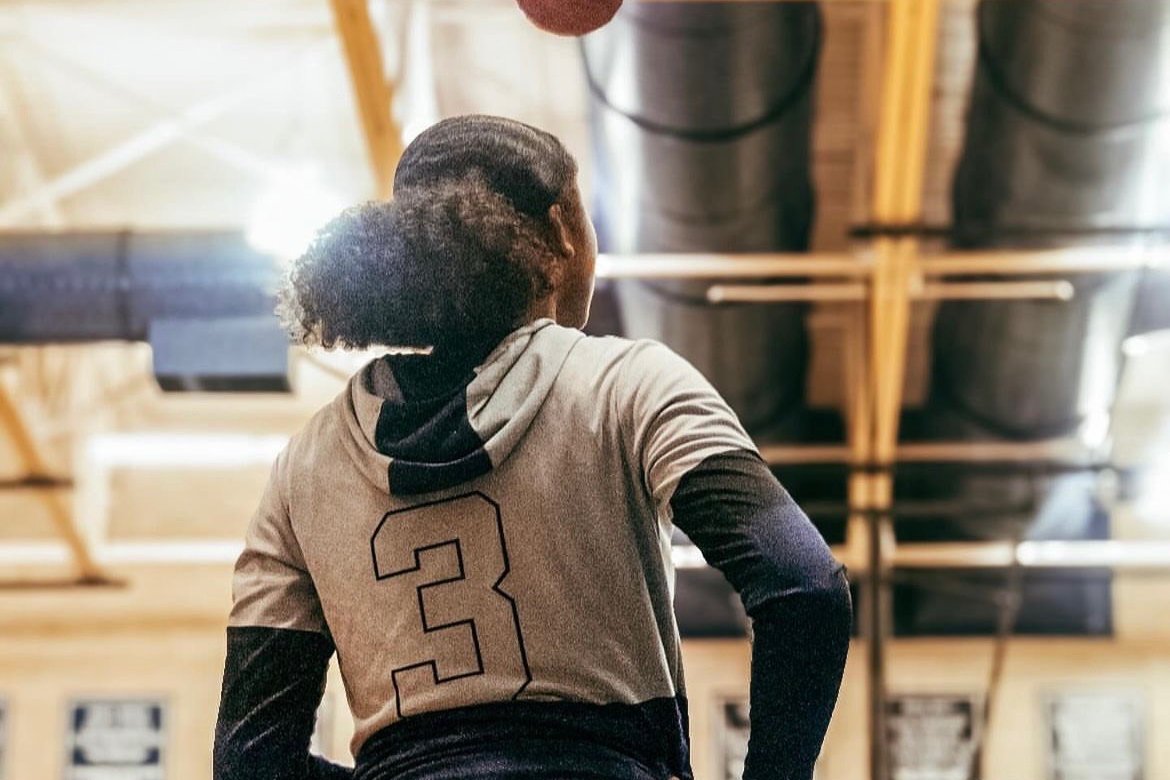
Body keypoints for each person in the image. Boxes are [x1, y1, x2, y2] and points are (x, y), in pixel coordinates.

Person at [213, 114, 851, 780]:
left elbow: (250, 760)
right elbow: (804, 586)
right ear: (560, 231)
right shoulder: (629, 383)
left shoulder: (303, 466)